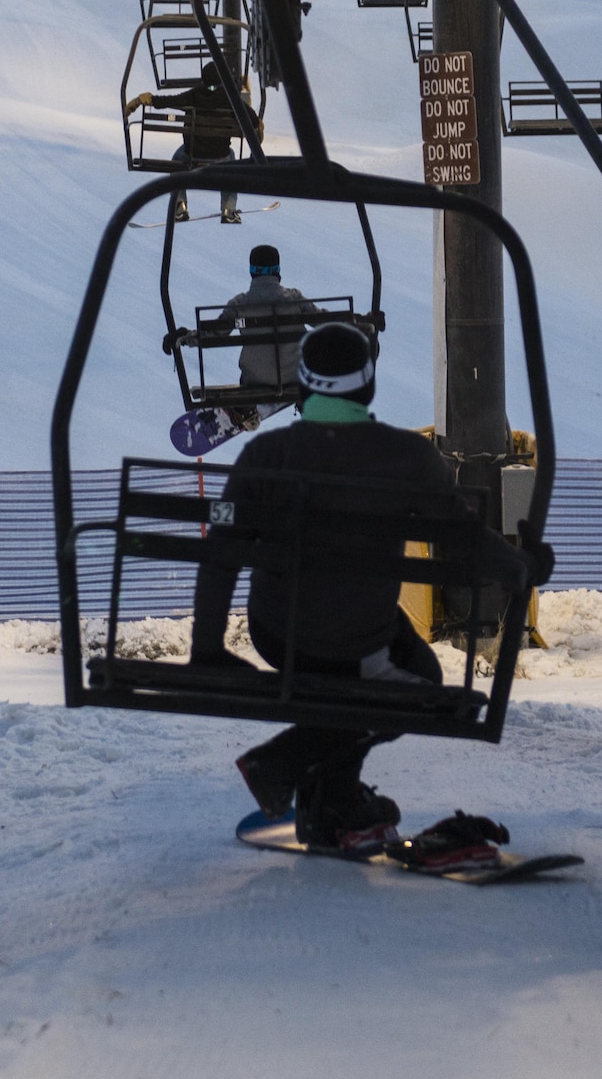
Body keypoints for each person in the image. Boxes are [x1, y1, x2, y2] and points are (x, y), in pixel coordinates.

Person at [190, 321, 553, 852]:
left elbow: (222, 550)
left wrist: (207, 648)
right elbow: (462, 541)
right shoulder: (407, 458)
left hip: (277, 632)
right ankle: (298, 771)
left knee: (390, 666)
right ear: (366, 385)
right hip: (356, 639)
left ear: (306, 386)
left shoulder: (263, 458)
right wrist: (522, 565)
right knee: (419, 688)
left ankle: (326, 797)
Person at [207, 246, 324, 424]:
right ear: (277, 271)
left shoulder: (240, 304)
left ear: (252, 271)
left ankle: (245, 409)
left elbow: (214, 333)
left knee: (253, 372)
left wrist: (185, 337)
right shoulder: (294, 299)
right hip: (295, 377)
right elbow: (325, 322)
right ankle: (307, 406)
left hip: (256, 380)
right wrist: (359, 324)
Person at [169, 62, 248, 225]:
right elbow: (251, 116)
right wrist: (258, 125)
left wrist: (147, 100)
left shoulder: (193, 95)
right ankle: (229, 209)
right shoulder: (229, 98)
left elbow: (170, 100)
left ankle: (180, 206)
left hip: (192, 155)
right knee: (232, 164)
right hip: (221, 157)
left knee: (176, 160)